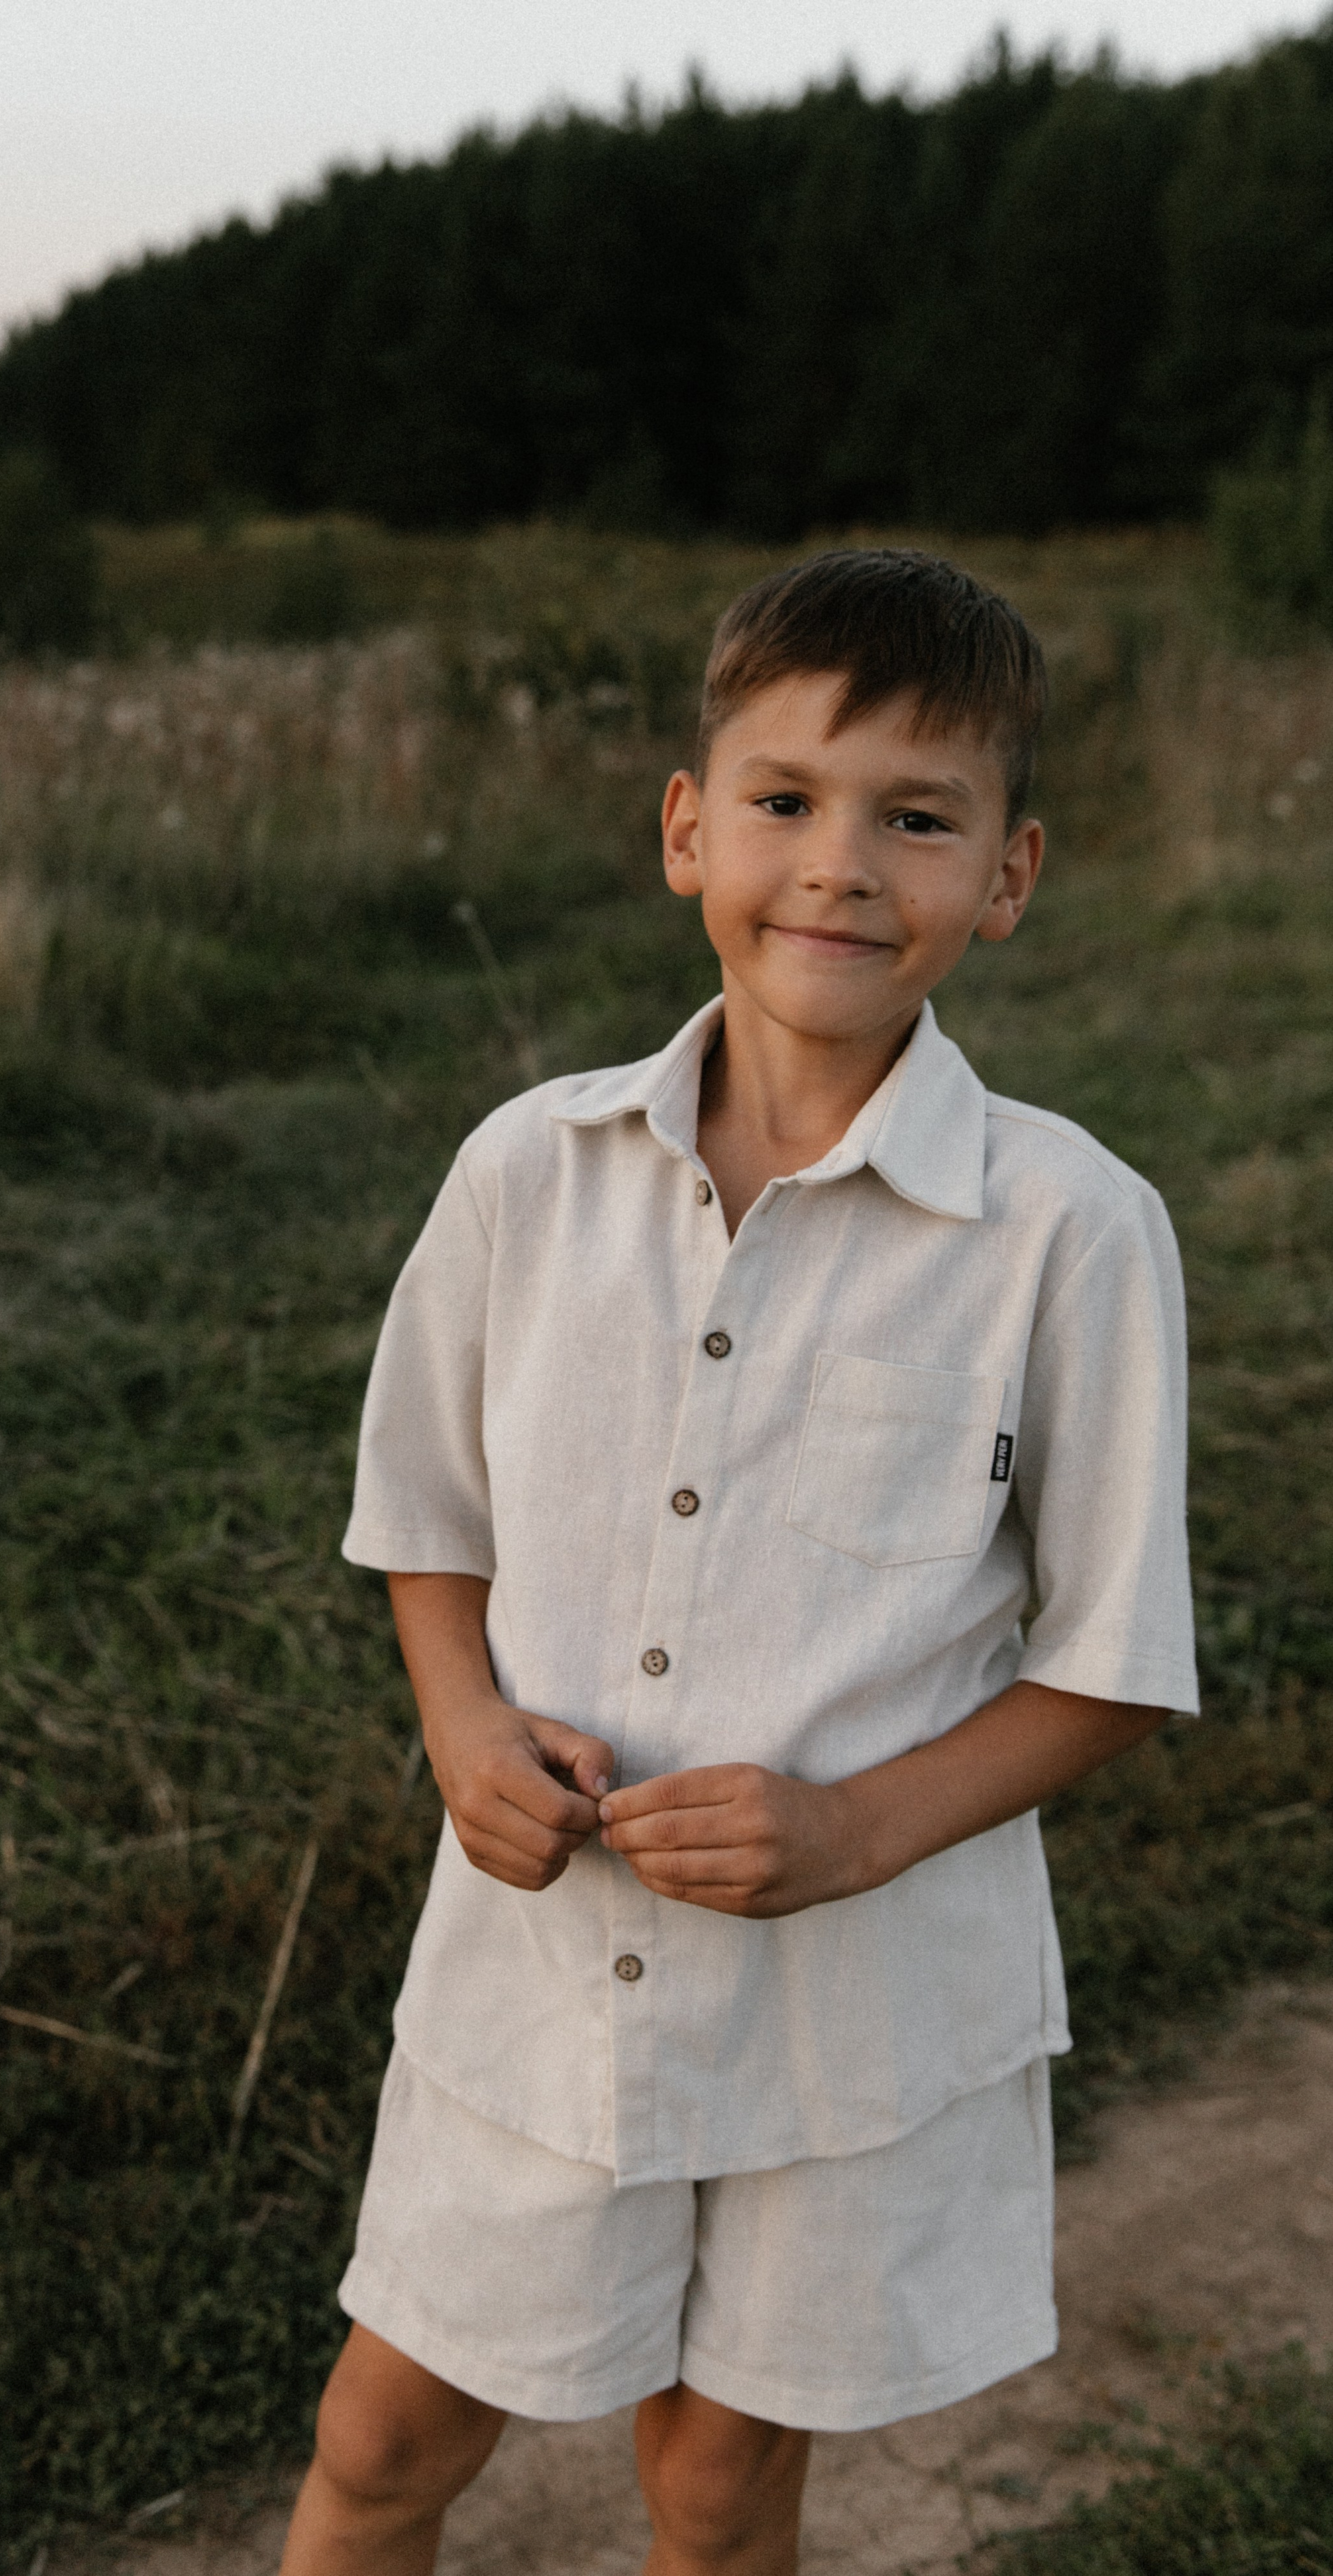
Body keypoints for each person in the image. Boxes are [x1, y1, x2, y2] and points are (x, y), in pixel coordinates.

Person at [278, 549, 1199, 2576]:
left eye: (918, 818)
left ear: (1010, 874)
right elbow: (425, 1512)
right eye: (786, 800)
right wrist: (456, 1726)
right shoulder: (532, 1168)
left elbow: (1117, 1658)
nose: (842, 866)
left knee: (714, 2485)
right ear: (688, 827)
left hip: (845, 2018)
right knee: (383, 2438)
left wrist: (857, 1831)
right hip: (535, 1983)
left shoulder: (1069, 1229)